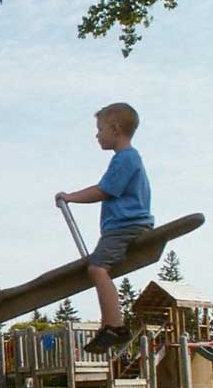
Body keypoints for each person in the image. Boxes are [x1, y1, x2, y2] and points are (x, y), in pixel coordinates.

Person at [55, 102, 154, 353]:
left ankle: (115, 326)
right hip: (124, 226)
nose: (97, 135)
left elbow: (103, 190)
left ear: (115, 129)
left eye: (100, 129)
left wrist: (70, 197)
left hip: (126, 226)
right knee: (99, 269)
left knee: (97, 269)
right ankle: (108, 324)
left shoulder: (126, 158)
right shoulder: (127, 158)